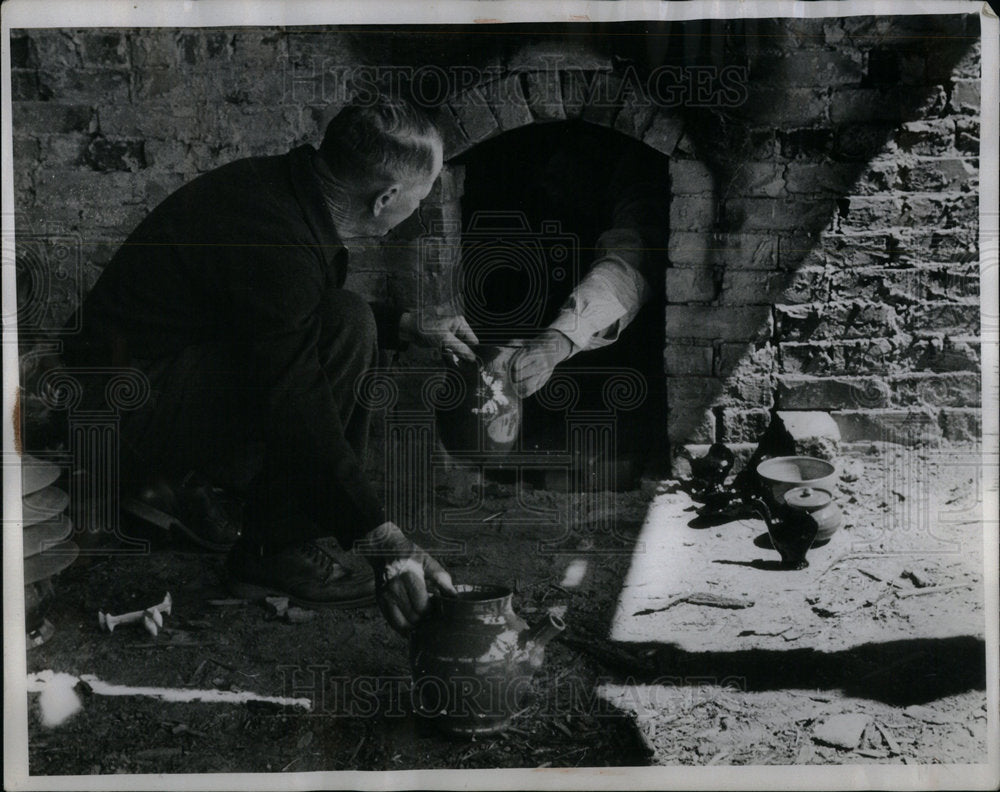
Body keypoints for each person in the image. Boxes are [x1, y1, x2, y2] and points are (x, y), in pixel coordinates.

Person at [62, 96, 476, 633]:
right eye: (419, 200)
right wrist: (382, 539)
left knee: (350, 318)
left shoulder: (283, 188)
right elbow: (295, 399)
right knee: (344, 333)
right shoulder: (277, 241)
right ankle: (273, 549)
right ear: (387, 198)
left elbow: (278, 318)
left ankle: (215, 499)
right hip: (119, 407)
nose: (417, 211)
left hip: (153, 367)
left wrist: (404, 324)